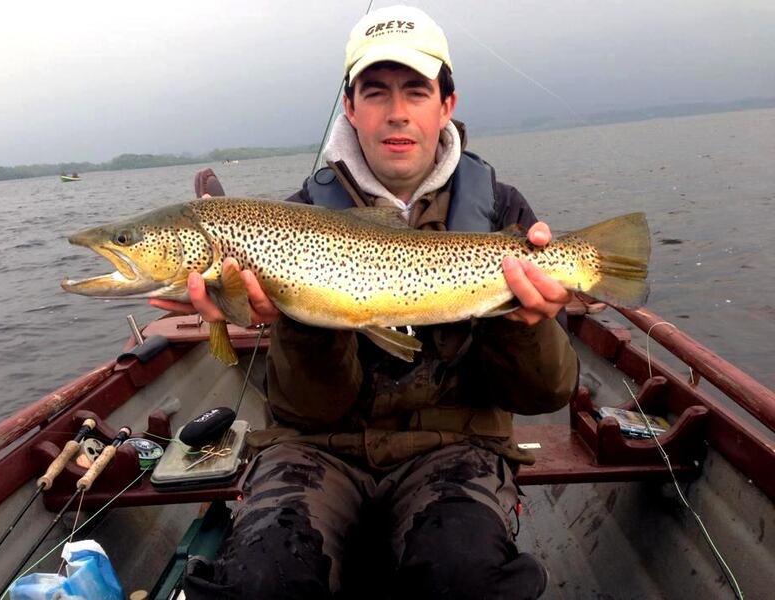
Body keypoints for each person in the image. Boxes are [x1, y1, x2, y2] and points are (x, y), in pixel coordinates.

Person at [151, 5, 578, 599]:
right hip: (313, 452)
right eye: (375, 92)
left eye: (416, 91)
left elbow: (544, 397)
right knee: (263, 578)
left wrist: (524, 322)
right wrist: (301, 319)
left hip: (457, 450)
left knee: (463, 575)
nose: (397, 111)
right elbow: (311, 410)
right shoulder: (296, 218)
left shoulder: (503, 213)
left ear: (446, 104)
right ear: (349, 107)